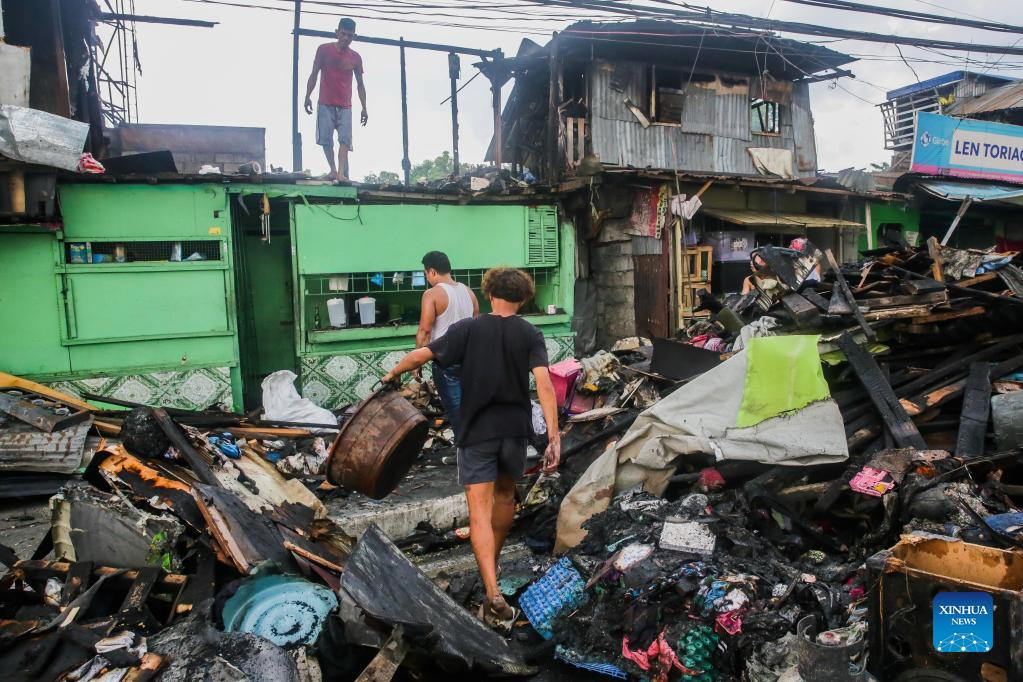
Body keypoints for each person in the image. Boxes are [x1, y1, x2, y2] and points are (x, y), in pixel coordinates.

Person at [382, 268, 560, 629]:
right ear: (523, 298)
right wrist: (554, 436)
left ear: (490, 293)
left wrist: (391, 375)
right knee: (506, 498)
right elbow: (544, 384)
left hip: (477, 430)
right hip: (514, 431)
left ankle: (492, 592)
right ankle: (490, 578)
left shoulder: (469, 328)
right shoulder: (530, 332)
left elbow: (422, 355)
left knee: (478, 512)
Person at [416, 251, 478, 443]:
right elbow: (476, 326)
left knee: (457, 410)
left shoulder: (432, 294)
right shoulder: (468, 292)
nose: (427, 278)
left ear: (432, 271)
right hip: (470, 359)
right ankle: (477, 445)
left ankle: (467, 451)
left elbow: (425, 331)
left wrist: (417, 362)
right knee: (472, 407)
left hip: (445, 362)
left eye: (426, 273)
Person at [304, 17, 367, 181]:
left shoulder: (355, 57)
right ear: (337, 32)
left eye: (350, 35)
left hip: (345, 105)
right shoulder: (323, 50)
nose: (346, 38)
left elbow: (360, 84)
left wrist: (364, 107)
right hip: (325, 102)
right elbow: (314, 74)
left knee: (345, 139)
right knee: (326, 139)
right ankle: (333, 170)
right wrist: (307, 96)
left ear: (354, 37)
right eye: (344, 34)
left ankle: (340, 173)